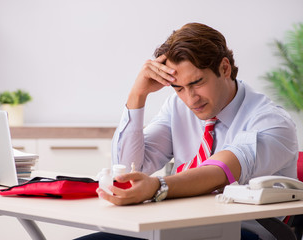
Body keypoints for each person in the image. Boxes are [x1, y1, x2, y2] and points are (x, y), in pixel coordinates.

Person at [75, 22, 298, 240]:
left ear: (224, 68)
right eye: (179, 88)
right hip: (176, 225)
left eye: (197, 82)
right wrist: (137, 95)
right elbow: (128, 168)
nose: (191, 99)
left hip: (243, 231)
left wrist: (158, 186)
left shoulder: (272, 122)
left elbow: (219, 171)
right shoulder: (176, 108)